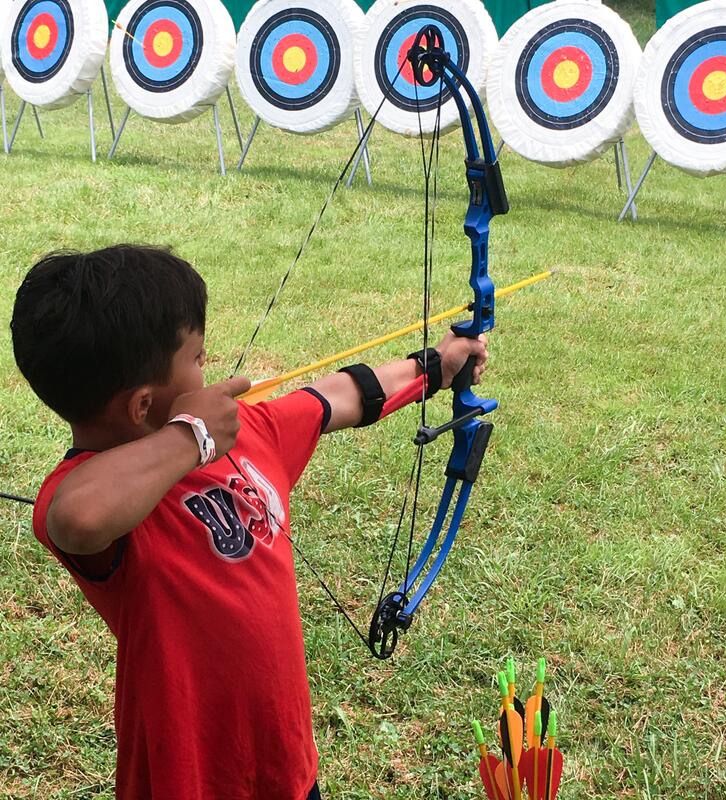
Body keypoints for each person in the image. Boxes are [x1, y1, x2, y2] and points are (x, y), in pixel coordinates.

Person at [10, 244, 489, 800]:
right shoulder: (96, 494)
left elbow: (337, 397)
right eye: (195, 359)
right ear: (143, 405)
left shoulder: (248, 436)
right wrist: (191, 436)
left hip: (282, 763)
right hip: (186, 779)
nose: (206, 370)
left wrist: (434, 366)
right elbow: (77, 517)